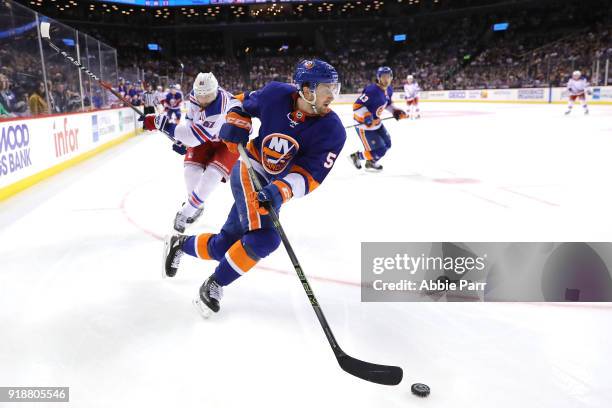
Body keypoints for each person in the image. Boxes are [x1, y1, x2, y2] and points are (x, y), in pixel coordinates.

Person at [161, 59, 346, 316]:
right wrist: (238, 120)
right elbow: (237, 101)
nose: (332, 96)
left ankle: (180, 244)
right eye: (327, 88)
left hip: (274, 183)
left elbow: (309, 176)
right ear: (307, 89)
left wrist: (282, 190)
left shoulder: (333, 131)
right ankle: (213, 285)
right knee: (265, 238)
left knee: (223, 247)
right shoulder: (275, 95)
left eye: (334, 88)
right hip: (250, 168)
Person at [142, 72, 242, 232]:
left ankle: (186, 212)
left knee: (212, 175)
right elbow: (190, 121)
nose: (203, 99)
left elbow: (194, 138)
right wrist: (182, 140)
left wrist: (164, 125)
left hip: (229, 141)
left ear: (215, 91)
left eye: (207, 95)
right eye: (200, 95)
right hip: (205, 136)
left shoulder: (219, 106)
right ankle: (197, 205)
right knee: (190, 171)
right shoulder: (196, 96)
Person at [348, 66, 406, 172]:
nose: (386, 79)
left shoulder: (389, 90)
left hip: (377, 123)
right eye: (383, 77)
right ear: (378, 78)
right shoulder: (371, 91)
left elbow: (387, 103)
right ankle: (356, 156)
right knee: (381, 149)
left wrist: (395, 111)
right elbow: (356, 106)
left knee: (387, 144)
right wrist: (367, 116)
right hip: (364, 126)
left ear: (392, 77)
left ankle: (371, 162)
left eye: (388, 76)